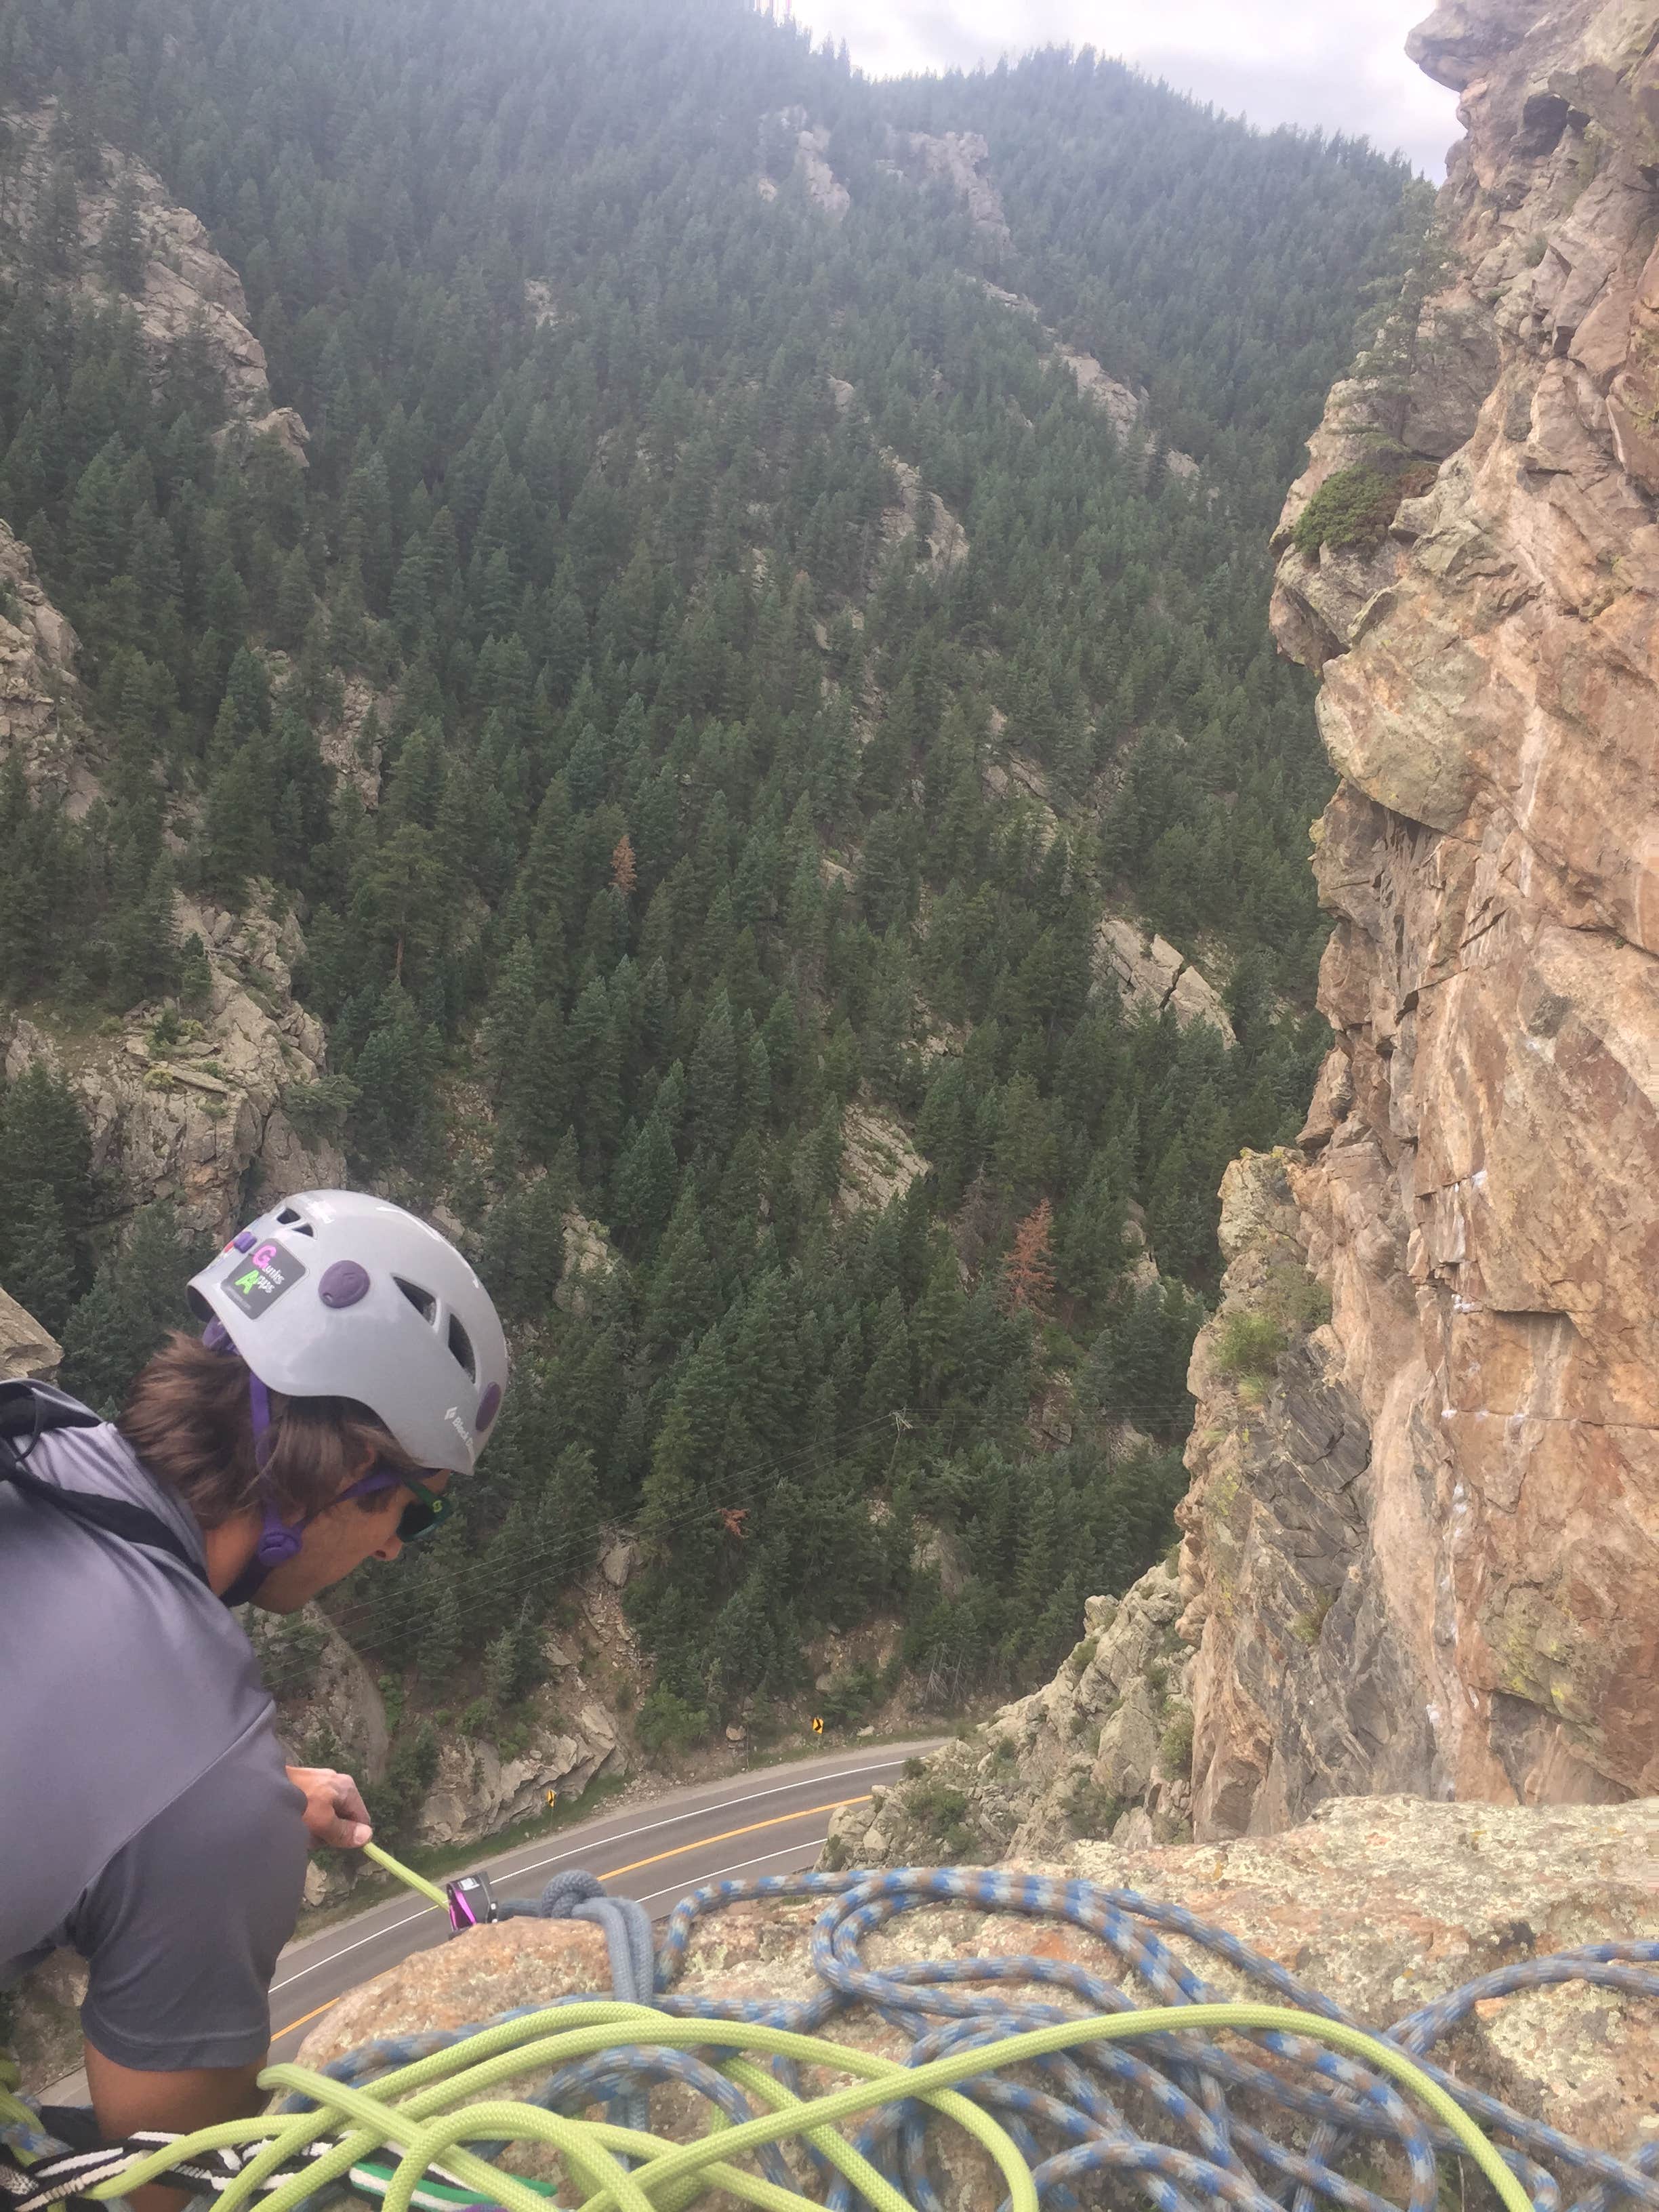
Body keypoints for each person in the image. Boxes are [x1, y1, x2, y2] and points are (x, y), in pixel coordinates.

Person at [0, 1190, 508, 2194]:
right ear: (354, 1469)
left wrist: (204, 1802)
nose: (397, 1549)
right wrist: (219, 1819)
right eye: (419, 1514)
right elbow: (176, 2182)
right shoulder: (203, 1787)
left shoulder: (35, 1440)